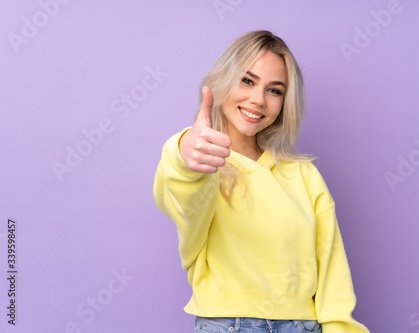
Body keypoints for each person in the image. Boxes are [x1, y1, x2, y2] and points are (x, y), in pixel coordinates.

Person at [153, 30, 369, 333]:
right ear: (224, 80)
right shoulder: (203, 169)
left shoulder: (303, 174)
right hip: (229, 325)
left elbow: (333, 273)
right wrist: (184, 149)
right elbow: (178, 193)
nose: (258, 99)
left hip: (303, 326)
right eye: (247, 80)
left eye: (275, 90)